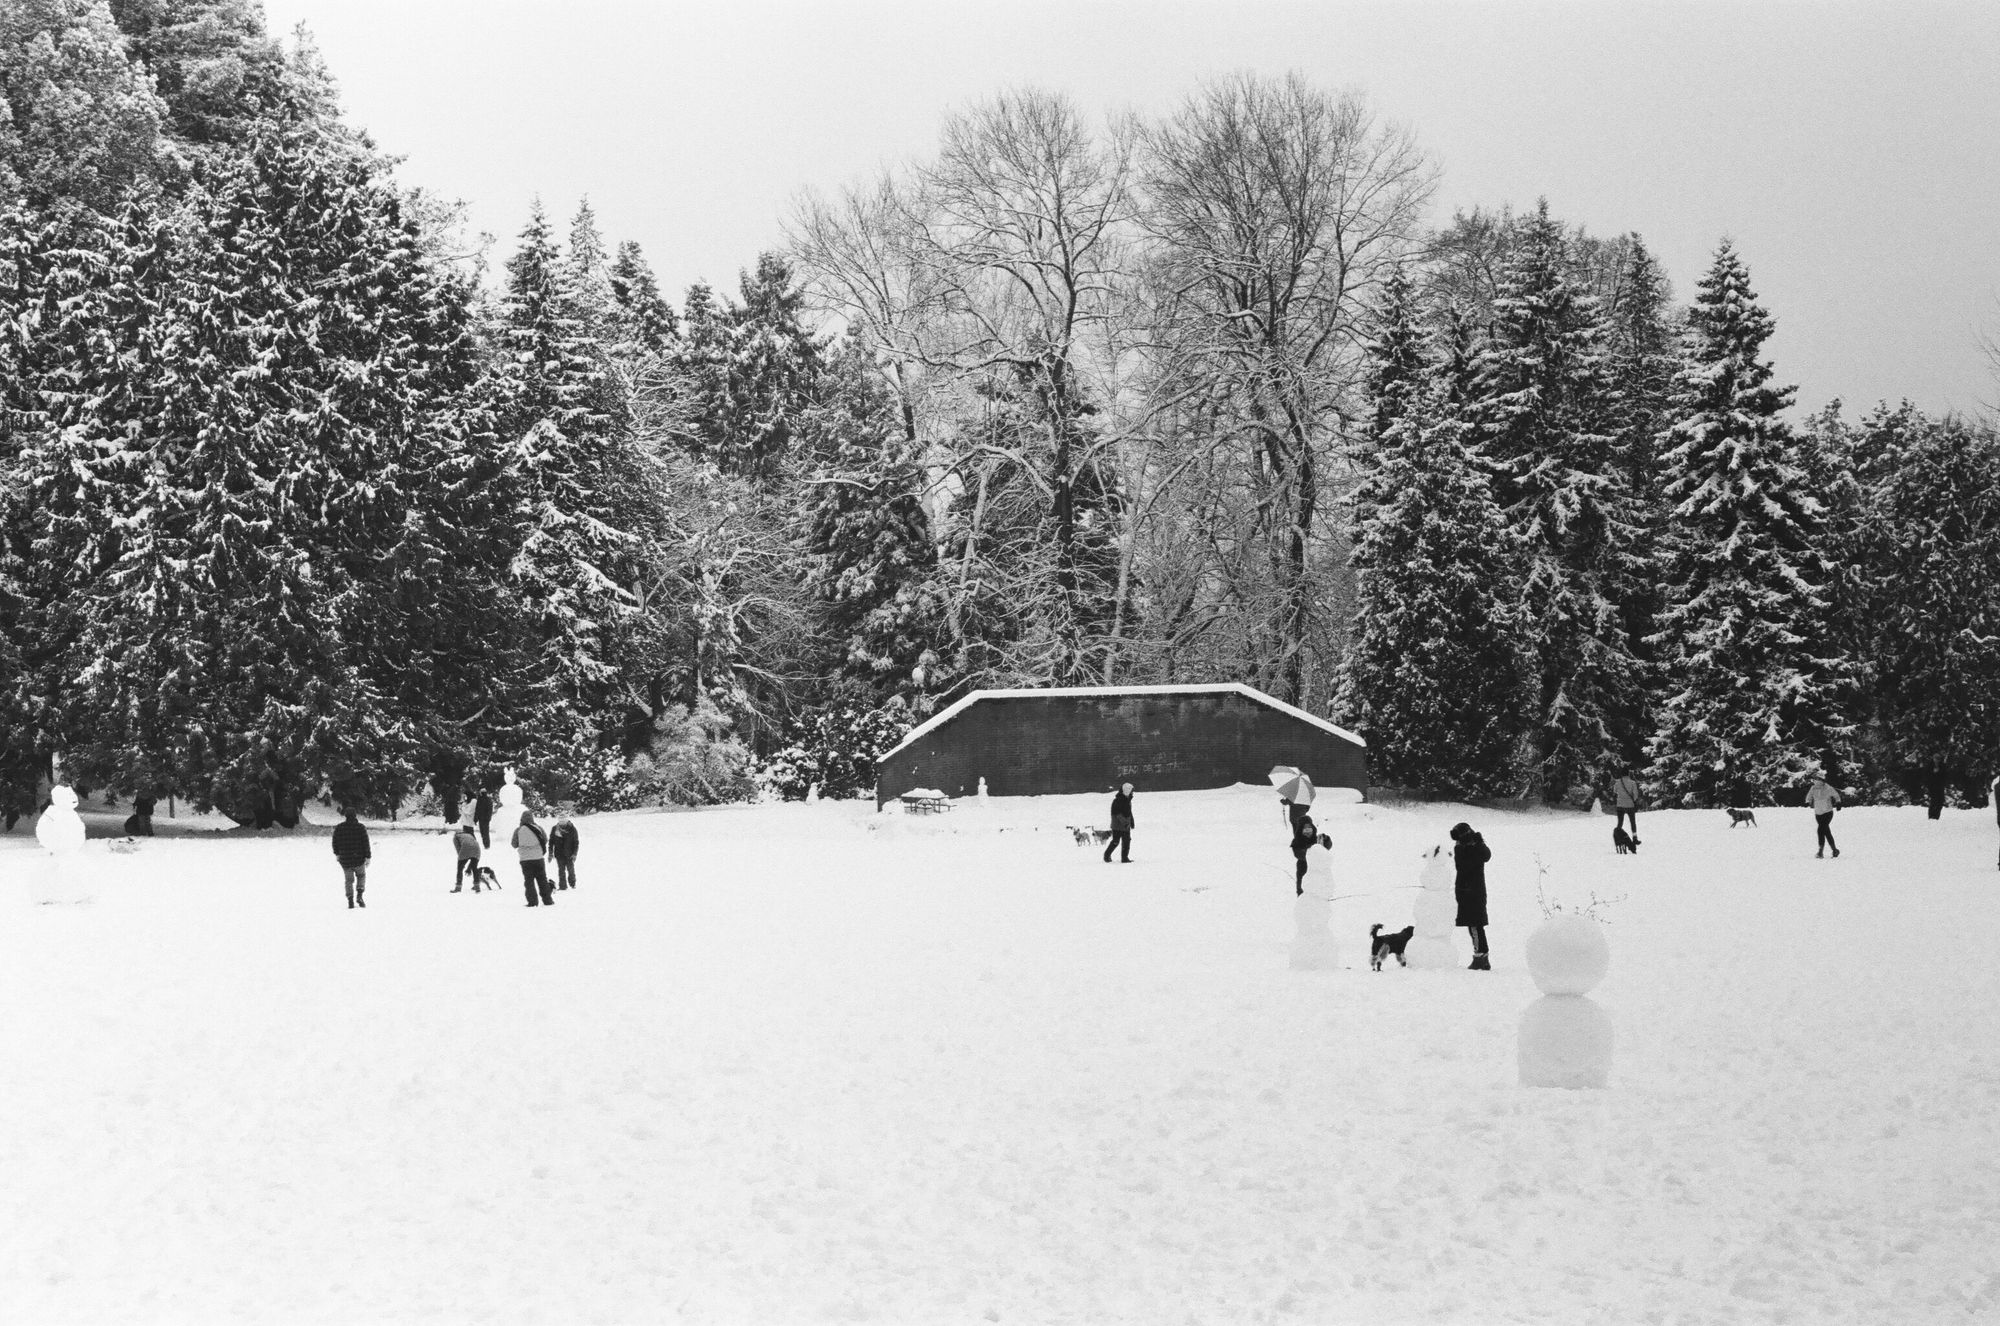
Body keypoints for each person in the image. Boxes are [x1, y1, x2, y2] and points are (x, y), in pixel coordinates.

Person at [1450, 821, 1491, 970]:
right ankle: (1483, 957)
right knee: (1476, 926)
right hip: (1474, 891)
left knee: (1474, 926)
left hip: (1470, 892)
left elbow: (1462, 866)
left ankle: (1480, 957)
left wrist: (1470, 846)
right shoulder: (1473, 848)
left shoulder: (1470, 849)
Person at [514, 809, 554, 906]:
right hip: (538, 858)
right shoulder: (538, 828)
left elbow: (514, 844)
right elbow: (545, 839)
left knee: (529, 881)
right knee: (542, 880)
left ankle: (532, 902)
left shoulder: (518, 830)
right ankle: (547, 900)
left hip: (525, 860)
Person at [333, 807, 371, 909]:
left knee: (348, 880)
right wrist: (368, 857)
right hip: (359, 858)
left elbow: (335, 843)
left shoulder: (339, 828)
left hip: (345, 859)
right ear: (355, 816)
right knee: (361, 875)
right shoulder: (361, 827)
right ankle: (359, 895)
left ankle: (350, 900)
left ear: (345, 816)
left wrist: (337, 854)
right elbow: (366, 844)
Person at [1290, 813, 1331, 896]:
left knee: (1319, 893)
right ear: (1300, 830)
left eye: (1309, 828)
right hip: (1303, 871)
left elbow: (1327, 847)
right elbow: (1299, 854)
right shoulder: (1297, 842)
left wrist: (1326, 839)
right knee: (1304, 893)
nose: (1308, 831)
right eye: (1305, 829)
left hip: (1318, 872)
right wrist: (1312, 851)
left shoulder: (1316, 839)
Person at [1807, 772, 1841, 858]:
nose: (1815, 781)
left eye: (1816, 779)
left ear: (1821, 780)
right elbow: (1809, 796)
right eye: (1814, 779)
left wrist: (1838, 803)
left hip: (1827, 812)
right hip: (1818, 813)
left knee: (1820, 830)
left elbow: (1836, 796)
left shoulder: (1828, 788)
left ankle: (1820, 851)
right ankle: (1834, 850)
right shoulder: (1813, 788)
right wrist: (1808, 802)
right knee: (1826, 831)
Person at [1103, 782, 1135, 863]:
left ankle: (1124, 858)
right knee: (1115, 842)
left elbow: (1129, 812)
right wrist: (1125, 822)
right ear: (1126, 791)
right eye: (1131, 791)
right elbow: (1117, 814)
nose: (1132, 792)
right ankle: (1106, 856)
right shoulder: (1117, 800)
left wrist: (1131, 821)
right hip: (1117, 825)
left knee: (1126, 841)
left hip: (1126, 825)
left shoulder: (1128, 800)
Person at [548, 815, 580, 890]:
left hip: (569, 853)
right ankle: (562, 886)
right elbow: (551, 842)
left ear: (566, 821)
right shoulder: (555, 829)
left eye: (563, 821)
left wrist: (575, 853)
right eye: (560, 821)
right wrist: (550, 853)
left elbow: (576, 842)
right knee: (561, 870)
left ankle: (573, 884)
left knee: (570, 870)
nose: (562, 823)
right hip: (559, 854)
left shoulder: (572, 829)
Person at [452, 822, 483, 892]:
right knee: (475, 868)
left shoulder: (456, 836)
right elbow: (473, 848)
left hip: (465, 849)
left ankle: (458, 887)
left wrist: (461, 863)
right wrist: (469, 868)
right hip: (477, 849)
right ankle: (477, 887)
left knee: (459, 869)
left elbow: (458, 849)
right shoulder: (469, 835)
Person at [1610, 768, 1642, 836]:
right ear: (1628, 774)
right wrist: (1633, 800)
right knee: (1632, 822)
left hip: (1620, 805)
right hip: (1630, 805)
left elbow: (1615, 792)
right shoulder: (1633, 783)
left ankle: (1618, 836)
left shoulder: (1617, 782)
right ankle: (1635, 837)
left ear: (1621, 774)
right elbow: (1635, 795)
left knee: (1620, 822)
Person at [473, 784, 494, 849]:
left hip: (483, 819)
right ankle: (486, 845)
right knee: (485, 832)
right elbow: (489, 810)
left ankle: (486, 845)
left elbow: (478, 810)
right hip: (484, 819)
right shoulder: (487, 800)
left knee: (484, 832)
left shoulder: (481, 800)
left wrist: (476, 819)